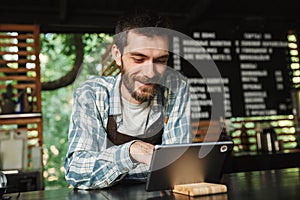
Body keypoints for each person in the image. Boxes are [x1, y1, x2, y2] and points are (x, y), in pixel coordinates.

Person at [64, 9, 192, 189]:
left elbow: (176, 167)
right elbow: (77, 170)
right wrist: (132, 151)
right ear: (117, 55)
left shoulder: (177, 88)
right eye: (139, 59)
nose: (150, 73)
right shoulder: (91, 94)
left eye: (161, 61)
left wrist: (108, 167)